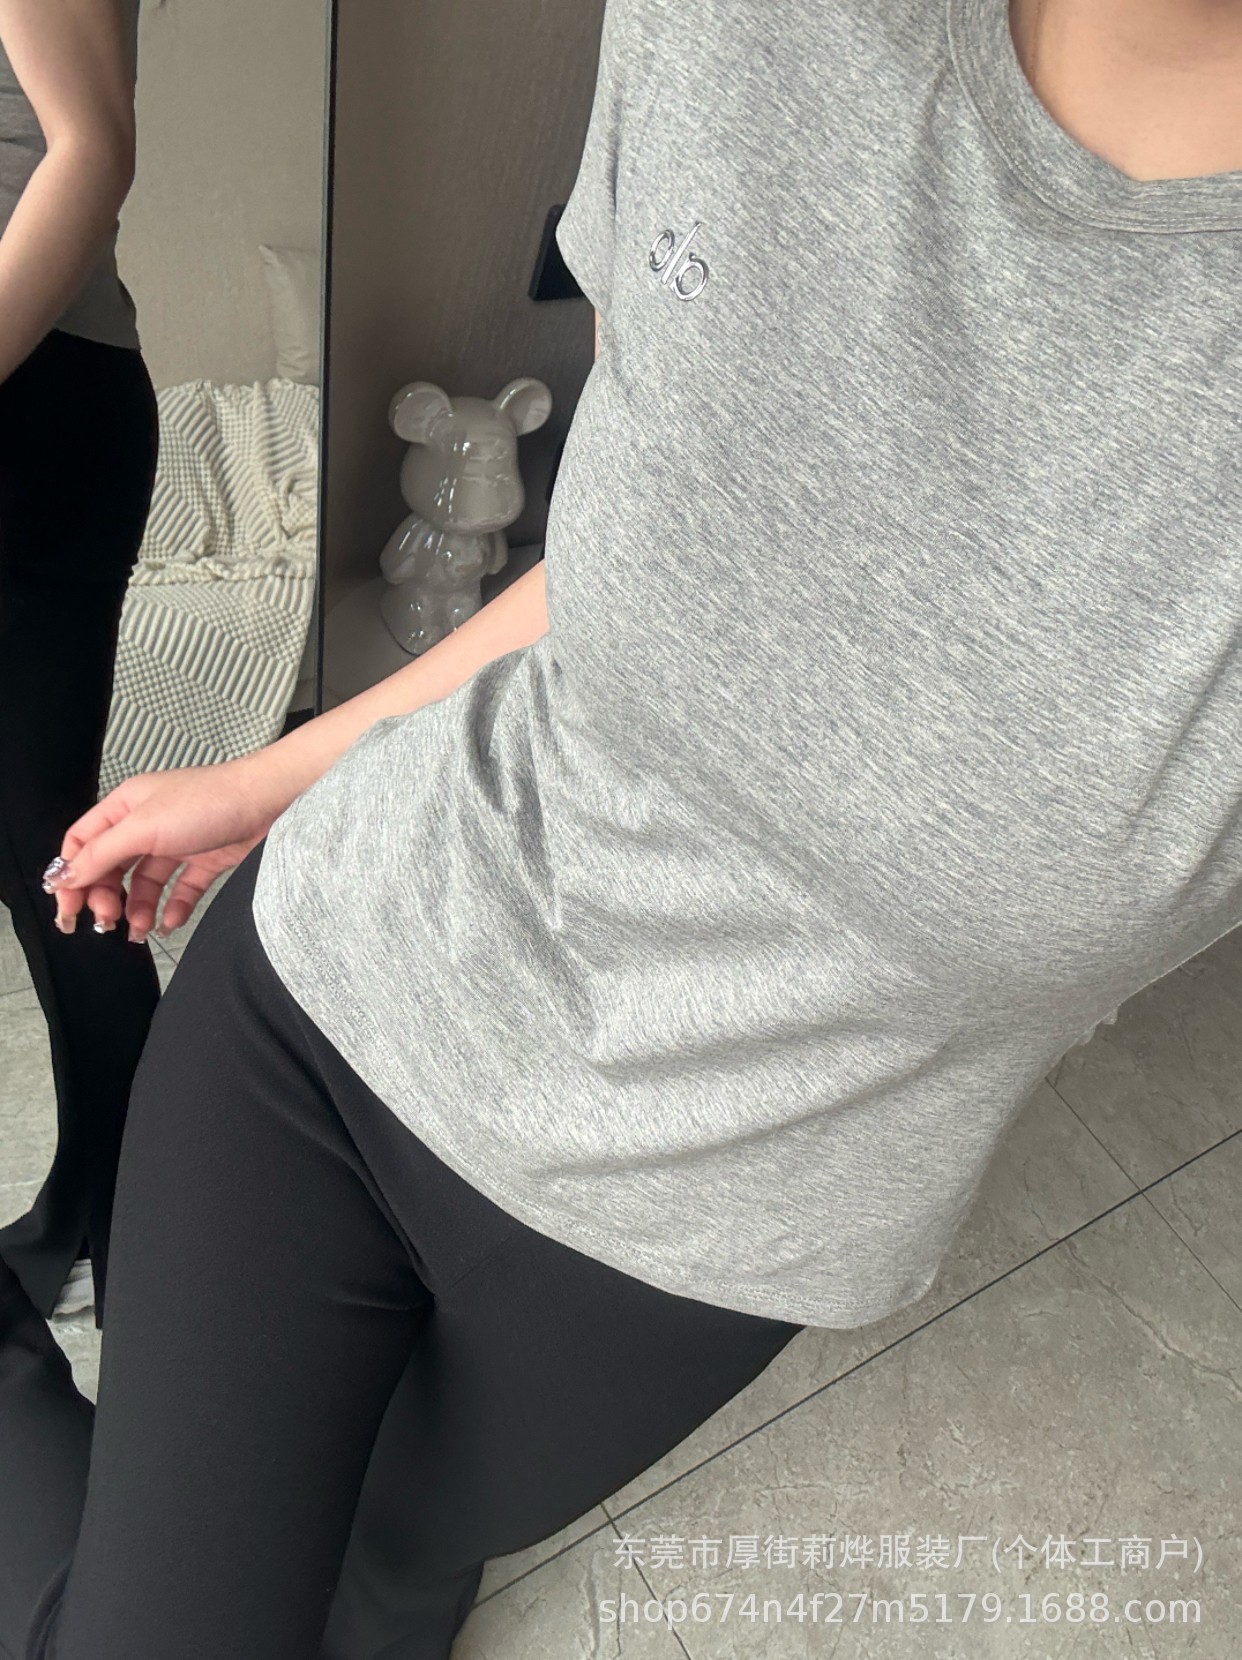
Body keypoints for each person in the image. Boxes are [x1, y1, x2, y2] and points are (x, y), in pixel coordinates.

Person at [3, 0, 1241, 1653]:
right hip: (349, 998)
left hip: (719, 1222)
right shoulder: (762, 29)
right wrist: (282, 774)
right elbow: (644, 539)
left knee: (384, 1574)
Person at [0, 0, 160, 1325]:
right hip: (43, 393)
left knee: (48, 847)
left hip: (32, 394)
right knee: (36, 847)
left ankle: (144, 1229)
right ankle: (114, 1212)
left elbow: (91, 150)